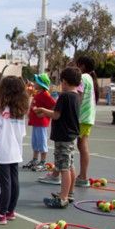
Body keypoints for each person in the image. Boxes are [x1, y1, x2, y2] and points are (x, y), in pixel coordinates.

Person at [0, 76, 29, 224]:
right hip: (15, 151)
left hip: (3, 151)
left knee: (5, 184)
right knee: (14, 182)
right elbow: (22, 133)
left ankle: (1, 213)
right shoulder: (20, 110)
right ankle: (10, 211)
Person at [34, 67, 82, 208]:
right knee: (70, 165)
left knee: (63, 168)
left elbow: (56, 114)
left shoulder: (64, 96)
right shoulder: (77, 96)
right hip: (71, 136)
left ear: (65, 82)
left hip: (62, 136)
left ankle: (62, 198)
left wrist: (43, 110)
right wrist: (46, 113)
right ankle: (69, 193)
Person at [74, 56, 98, 188]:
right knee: (81, 145)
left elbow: (78, 96)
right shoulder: (89, 78)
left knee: (80, 146)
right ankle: (82, 176)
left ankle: (83, 177)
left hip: (82, 117)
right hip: (86, 117)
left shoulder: (82, 78)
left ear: (82, 66)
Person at [22, 73, 55, 171]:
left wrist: (45, 114)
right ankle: (35, 159)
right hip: (36, 122)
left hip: (41, 123)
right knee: (35, 142)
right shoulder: (38, 93)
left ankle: (43, 162)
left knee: (42, 142)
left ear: (41, 84)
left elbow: (54, 106)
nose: (35, 83)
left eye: (37, 81)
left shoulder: (45, 95)